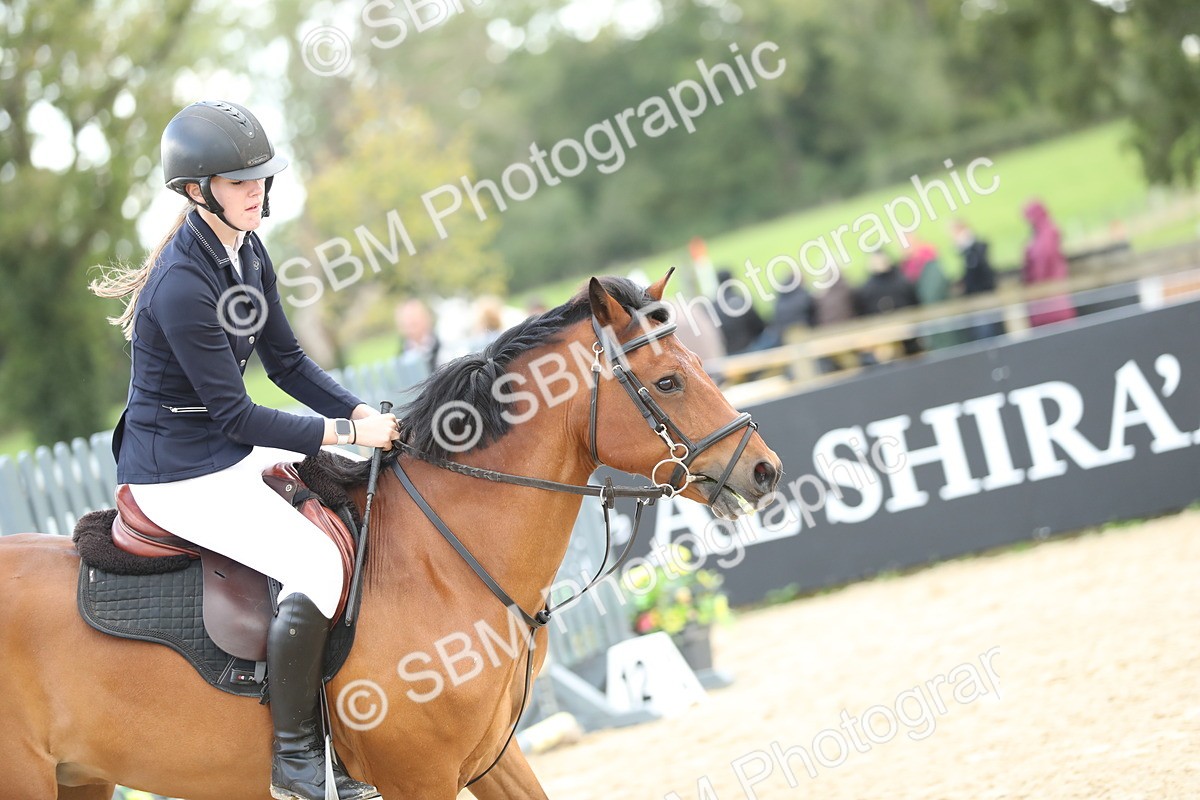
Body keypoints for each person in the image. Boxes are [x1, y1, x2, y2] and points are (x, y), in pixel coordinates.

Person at [90, 101, 395, 800]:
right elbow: (235, 416)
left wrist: (353, 411)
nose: (255, 189)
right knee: (316, 561)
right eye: (238, 180)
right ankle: (295, 764)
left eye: (260, 177)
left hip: (216, 452)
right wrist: (347, 432)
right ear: (198, 191)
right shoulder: (181, 282)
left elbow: (287, 363)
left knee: (348, 495)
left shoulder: (247, 252)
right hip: (179, 473)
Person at [1022, 200, 1077, 327]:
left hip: (1050, 301)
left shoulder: (1046, 234)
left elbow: (1043, 260)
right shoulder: (1043, 233)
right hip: (1048, 300)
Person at [951, 219, 1005, 341]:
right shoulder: (970, 251)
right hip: (981, 301)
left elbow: (978, 276)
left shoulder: (974, 251)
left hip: (983, 302)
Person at [713, 268, 766, 355]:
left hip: (727, 353)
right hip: (750, 349)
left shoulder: (714, 305)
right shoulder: (742, 300)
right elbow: (759, 326)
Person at [396, 297, 440, 375]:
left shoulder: (441, 345)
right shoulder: (402, 354)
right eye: (406, 324)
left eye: (414, 323)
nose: (410, 329)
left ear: (426, 319)